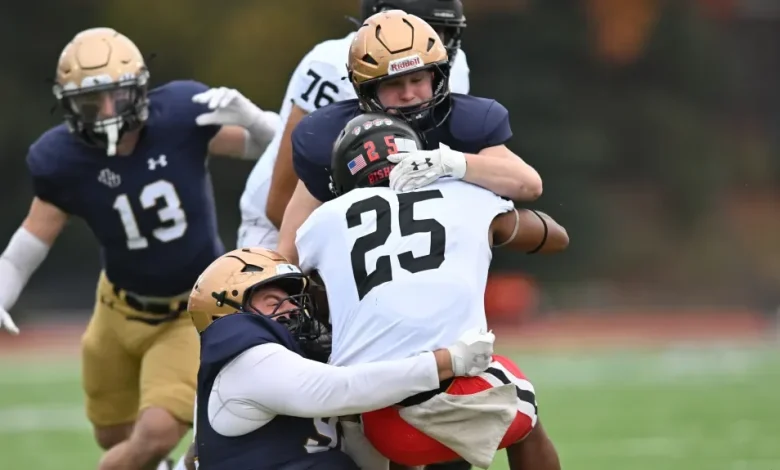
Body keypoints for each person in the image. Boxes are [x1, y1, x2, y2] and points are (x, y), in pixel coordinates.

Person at [0, 28, 279, 470]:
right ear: (70, 106)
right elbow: (27, 245)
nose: (108, 112)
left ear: (141, 91)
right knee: (112, 433)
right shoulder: (62, 159)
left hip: (190, 310)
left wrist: (256, 119)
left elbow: (279, 155)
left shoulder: (178, 120)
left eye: (118, 97)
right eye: (93, 103)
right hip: (114, 309)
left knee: (153, 436)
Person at [294, 113, 567, 469]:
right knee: (523, 409)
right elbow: (555, 238)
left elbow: (305, 281)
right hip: (444, 399)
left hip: (368, 413)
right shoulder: (464, 196)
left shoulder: (321, 222)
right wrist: (496, 226)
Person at [184, 247, 496, 469]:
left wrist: (359, 425)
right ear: (226, 311)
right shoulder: (244, 360)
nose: (292, 309)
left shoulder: (299, 364)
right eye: (271, 301)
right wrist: (447, 361)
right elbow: (342, 389)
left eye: (292, 300)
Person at [276, 9, 544, 267]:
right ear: (365, 89)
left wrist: (451, 163)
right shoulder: (332, 137)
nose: (408, 94)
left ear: (436, 76)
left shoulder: (464, 122)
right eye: (393, 84)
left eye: (417, 79)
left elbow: (528, 185)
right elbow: (290, 251)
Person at [234, 0, 471, 250]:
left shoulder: (451, 67)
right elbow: (279, 201)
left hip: (380, 216)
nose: (430, 42)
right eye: (423, 27)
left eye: (441, 33)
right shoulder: (331, 67)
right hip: (284, 224)